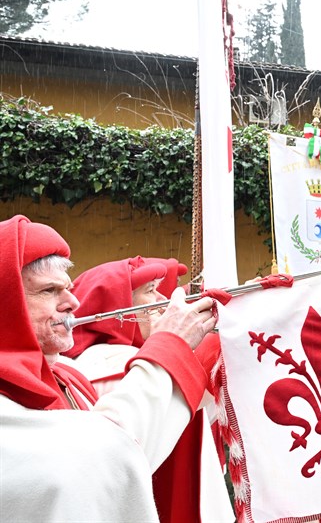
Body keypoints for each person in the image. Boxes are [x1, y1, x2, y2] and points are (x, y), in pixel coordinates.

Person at [0, 215, 217, 521]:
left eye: (68, 288)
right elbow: (102, 458)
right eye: (49, 291)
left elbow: (129, 462)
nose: (73, 302)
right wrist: (170, 345)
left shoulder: (69, 376)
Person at [59, 256, 234, 522]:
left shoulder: (127, 355)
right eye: (149, 291)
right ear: (117, 307)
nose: (159, 302)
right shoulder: (101, 361)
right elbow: (189, 390)